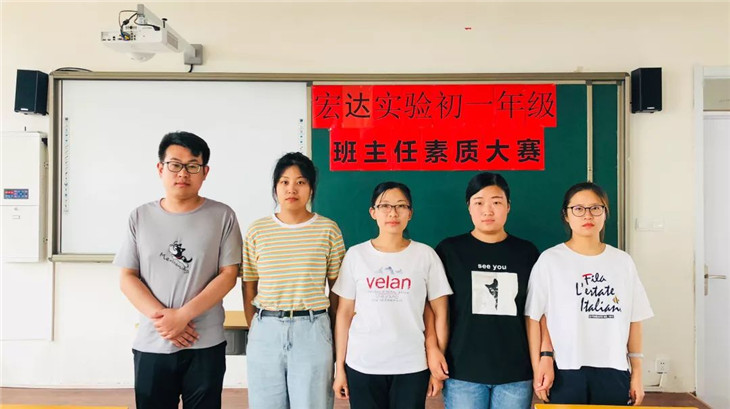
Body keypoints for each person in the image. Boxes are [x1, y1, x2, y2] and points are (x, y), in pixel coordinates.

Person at [115, 131, 242, 409]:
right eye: (175, 164)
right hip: (153, 341)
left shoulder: (223, 216)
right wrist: (165, 322)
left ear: (205, 172)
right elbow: (127, 277)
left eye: (192, 166)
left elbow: (228, 275)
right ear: (160, 168)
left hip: (205, 342)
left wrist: (183, 316)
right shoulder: (140, 216)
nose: (183, 173)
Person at [525, 181, 653, 406]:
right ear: (566, 215)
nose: (588, 215)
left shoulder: (622, 262)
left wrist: (637, 373)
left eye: (595, 208)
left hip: (614, 369)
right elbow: (534, 317)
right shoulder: (550, 260)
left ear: (605, 213)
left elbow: (635, 319)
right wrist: (540, 365)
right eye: (578, 209)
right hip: (565, 369)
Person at [331, 181, 453, 409]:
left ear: (410, 213)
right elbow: (344, 314)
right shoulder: (356, 255)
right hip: (363, 364)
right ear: (373, 212)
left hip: (412, 365)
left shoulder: (425, 255)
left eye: (401, 206)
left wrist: (436, 364)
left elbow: (441, 313)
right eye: (385, 205)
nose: (393, 213)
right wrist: (340, 368)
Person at [242, 152, 345, 409]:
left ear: (311, 188)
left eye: (300, 182)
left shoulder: (328, 229)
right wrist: (256, 327)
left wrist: (332, 334)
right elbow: (249, 285)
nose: (292, 189)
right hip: (266, 329)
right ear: (275, 187)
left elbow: (337, 291)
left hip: (312, 328)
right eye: (284, 182)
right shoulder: (257, 230)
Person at [431, 172, 539, 409]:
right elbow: (436, 311)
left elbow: (534, 315)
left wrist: (541, 361)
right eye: (479, 202)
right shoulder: (449, 251)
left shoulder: (527, 253)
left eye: (496, 202)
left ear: (508, 206)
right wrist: (433, 351)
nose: (487, 210)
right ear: (469, 207)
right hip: (462, 373)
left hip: (515, 373)